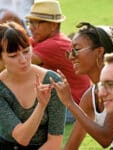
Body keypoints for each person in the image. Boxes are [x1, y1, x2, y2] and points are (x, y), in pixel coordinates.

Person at [50, 22, 113, 150]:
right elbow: (71, 147)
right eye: (69, 52)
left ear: (99, 52)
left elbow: (105, 138)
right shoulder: (90, 96)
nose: (71, 57)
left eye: (76, 50)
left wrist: (70, 103)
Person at [0, 21, 66, 150]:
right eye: (13, 56)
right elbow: (22, 138)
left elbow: (55, 142)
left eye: (26, 51)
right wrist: (41, 106)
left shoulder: (52, 81)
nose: (23, 60)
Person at [25, 0, 90, 123]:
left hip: (72, 108)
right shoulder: (46, 40)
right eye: (30, 23)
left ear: (53, 25)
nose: (31, 28)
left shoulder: (53, 45)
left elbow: (14, 62)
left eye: (36, 23)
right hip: (68, 103)